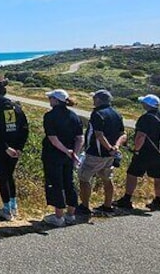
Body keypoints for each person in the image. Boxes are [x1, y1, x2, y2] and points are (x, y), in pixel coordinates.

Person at [114, 94, 160, 211]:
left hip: (145, 152)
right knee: (158, 177)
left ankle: (126, 199)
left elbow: (141, 136)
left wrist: (136, 149)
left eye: (143, 103)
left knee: (132, 174)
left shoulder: (145, 118)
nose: (142, 104)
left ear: (147, 105)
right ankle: (158, 202)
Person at [75, 90, 126, 216]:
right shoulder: (116, 114)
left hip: (96, 154)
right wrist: (116, 147)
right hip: (110, 155)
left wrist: (109, 147)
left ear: (98, 100)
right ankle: (107, 205)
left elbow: (99, 135)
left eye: (94, 98)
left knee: (84, 178)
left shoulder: (97, 114)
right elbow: (123, 134)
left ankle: (85, 207)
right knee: (107, 178)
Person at [0, 80, 29, 221]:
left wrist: (5, 147)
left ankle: (7, 210)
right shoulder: (16, 107)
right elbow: (25, 128)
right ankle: (14, 207)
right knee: (10, 176)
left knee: (3, 177)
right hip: (15, 149)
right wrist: (19, 147)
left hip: (0, 149)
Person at [41, 89, 83, 227]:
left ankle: (58, 217)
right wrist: (74, 153)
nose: (49, 101)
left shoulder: (50, 116)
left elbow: (53, 139)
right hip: (69, 157)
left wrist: (66, 151)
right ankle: (71, 214)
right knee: (69, 182)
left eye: (50, 98)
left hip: (53, 155)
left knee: (56, 184)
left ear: (55, 100)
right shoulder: (74, 116)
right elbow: (79, 138)